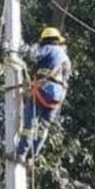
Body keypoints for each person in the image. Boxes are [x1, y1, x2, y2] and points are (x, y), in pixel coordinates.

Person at [14, 25, 71, 162]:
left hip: (43, 91)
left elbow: (33, 55)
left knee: (30, 123)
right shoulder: (66, 58)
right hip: (57, 98)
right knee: (43, 128)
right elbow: (67, 78)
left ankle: (20, 153)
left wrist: (21, 47)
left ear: (45, 40)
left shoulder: (49, 48)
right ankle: (32, 157)